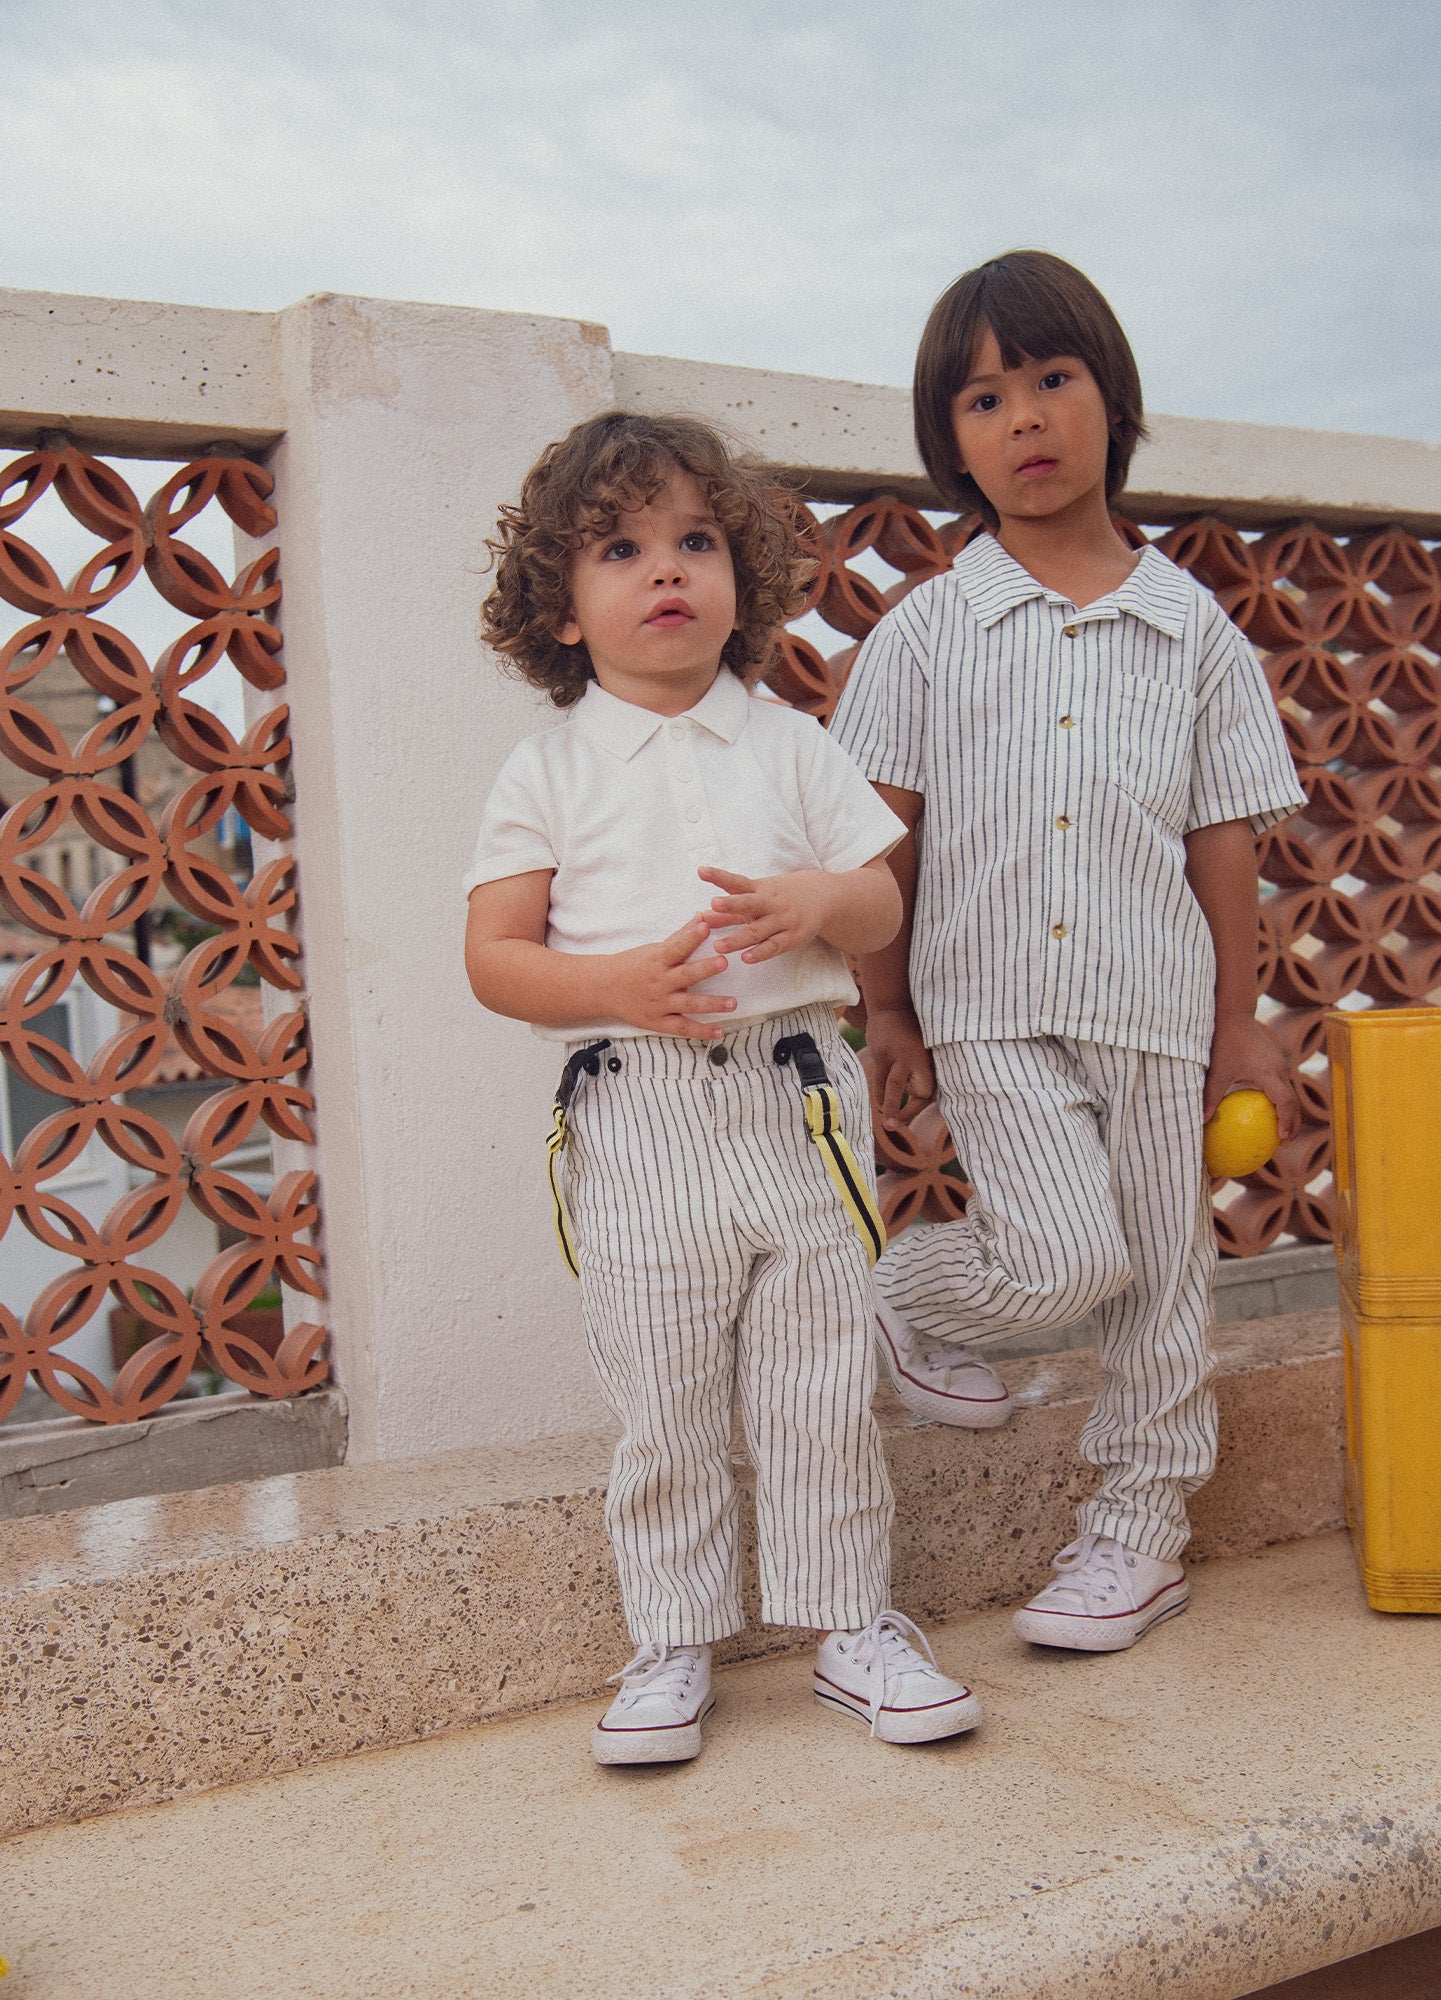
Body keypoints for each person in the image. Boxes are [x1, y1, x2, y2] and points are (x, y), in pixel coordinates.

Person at [463, 410, 982, 1762]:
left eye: (696, 539)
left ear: (740, 574)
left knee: (816, 1381)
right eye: (621, 549)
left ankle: (851, 1628)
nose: (666, 570)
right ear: (562, 610)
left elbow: (877, 906)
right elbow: (496, 960)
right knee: (665, 1396)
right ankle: (670, 1640)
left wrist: (828, 895)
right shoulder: (550, 769)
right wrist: (616, 988)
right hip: (633, 1111)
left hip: (794, 1101)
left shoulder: (791, 748)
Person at [830, 251, 1305, 1653]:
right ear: (950, 440)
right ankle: (907, 1291)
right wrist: (888, 1009)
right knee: (1062, 1259)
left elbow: (1225, 842)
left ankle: (1139, 1533)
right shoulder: (926, 630)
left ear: (1113, 399)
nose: (1024, 418)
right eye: (983, 398)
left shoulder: (1192, 631)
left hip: (1159, 1008)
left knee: (1164, 1281)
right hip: (986, 1004)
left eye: (1052, 379)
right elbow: (884, 832)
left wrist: (1242, 1021)